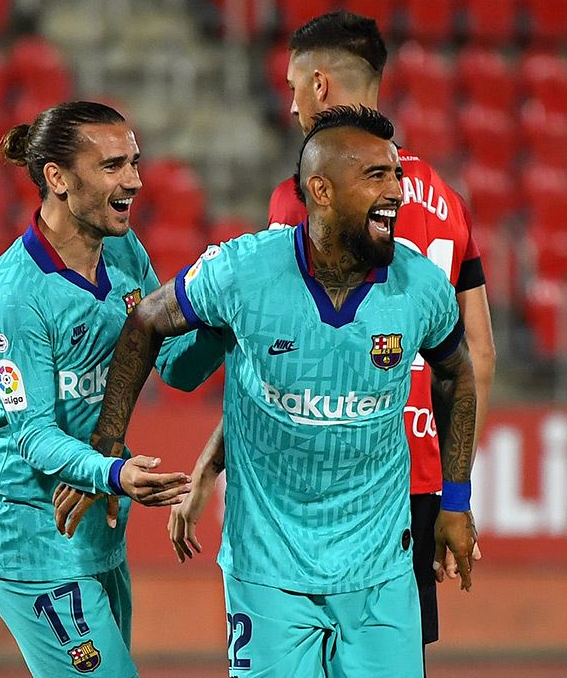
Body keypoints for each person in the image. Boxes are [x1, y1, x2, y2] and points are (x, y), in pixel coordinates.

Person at [81, 106, 478, 676]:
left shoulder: (420, 286)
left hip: (380, 570)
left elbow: (456, 374)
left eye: (397, 176)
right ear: (321, 190)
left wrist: (456, 502)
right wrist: (106, 444)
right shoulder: (243, 272)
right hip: (268, 571)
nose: (398, 191)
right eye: (377, 177)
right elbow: (147, 320)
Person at [172, 10, 497, 655]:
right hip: (419, 474)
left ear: (319, 86)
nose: (289, 106)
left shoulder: (305, 198)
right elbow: (477, 355)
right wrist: (453, 489)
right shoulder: (443, 198)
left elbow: (276, 363)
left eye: (292, 87)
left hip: (321, 483)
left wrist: (210, 465)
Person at [0, 101, 223, 678]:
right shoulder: (15, 296)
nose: (134, 180)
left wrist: (221, 308)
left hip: (97, 534)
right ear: (57, 179)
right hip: (30, 535)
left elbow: (176, 366)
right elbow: (33, 436)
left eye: (134, 162)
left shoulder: (124, 251)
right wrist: (114, 473)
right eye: (112, 166)